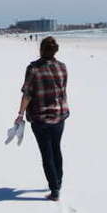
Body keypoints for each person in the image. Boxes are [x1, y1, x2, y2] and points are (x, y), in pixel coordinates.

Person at [15, 36, 69, 201]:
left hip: (41, 118)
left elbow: (28, 94)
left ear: (41, 49)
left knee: (47, 154)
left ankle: (54, 190)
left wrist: (20, 114)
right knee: (56, 149)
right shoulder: (62, 67)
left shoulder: (33, 69)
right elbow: (62, 89)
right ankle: (58, 182)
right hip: (59, 114)